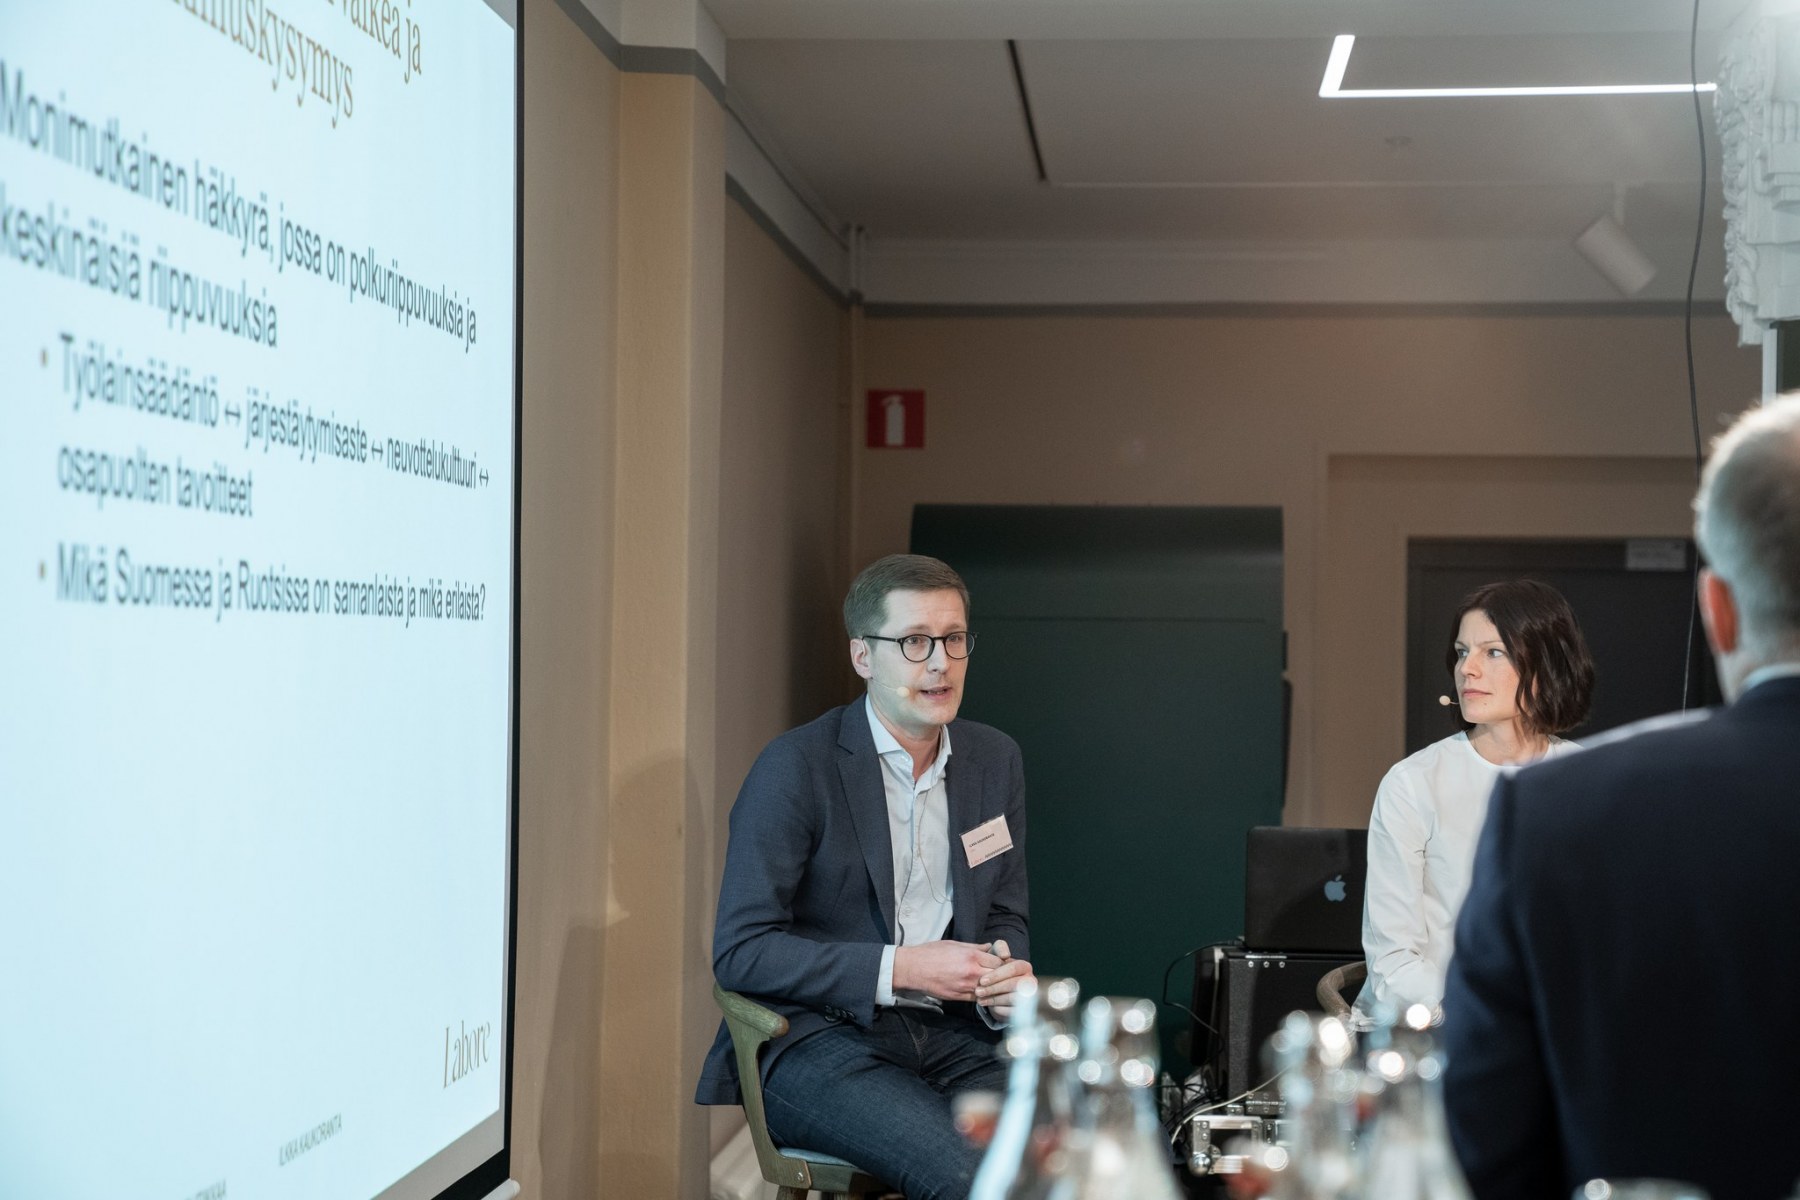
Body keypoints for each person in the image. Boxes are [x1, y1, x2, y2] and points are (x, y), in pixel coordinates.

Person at [1442, 394, 1800, 1200]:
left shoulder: (1550, 815)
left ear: (1718, 610)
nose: (1470, 670)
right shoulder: (1499, 799)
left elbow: (1487, 1144)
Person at [695, 554, 1034, 1200]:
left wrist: (1000, 972)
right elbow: (741, 951)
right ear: (863, 657)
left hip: (958, 1034)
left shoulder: (995, 760)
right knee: (970, 1177)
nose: (939, 663)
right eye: (914, 642)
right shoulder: (796, 766)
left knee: (1100, 1150)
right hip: (820, 1038)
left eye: (953, 639)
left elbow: (1003, 914)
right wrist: (903, 968)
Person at [1355, 579, 1594, 1025]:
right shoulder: (1412, 784)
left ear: (1545, 665)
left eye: (1493, 652)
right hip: (1432, 1031)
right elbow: (1392, 964)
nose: (1467, 669)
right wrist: (1489, 1016)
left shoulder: (1590, 781)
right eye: (1462, 652)